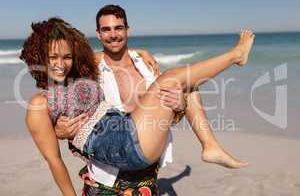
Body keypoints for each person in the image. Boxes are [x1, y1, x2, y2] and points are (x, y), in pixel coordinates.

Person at [21, 17, 254, 195]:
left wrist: (140, 52)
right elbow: (54, 160)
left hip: (129, 136)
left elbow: (111, 51)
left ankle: (210, 145)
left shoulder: (83, 72)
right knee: (172, 77)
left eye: (67, 57)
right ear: (39, 57)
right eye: (52, 58)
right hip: (117, 148)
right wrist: (60, 132)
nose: (61, 64)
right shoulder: (40, 103)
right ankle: (235, 56)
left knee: (185, 86)